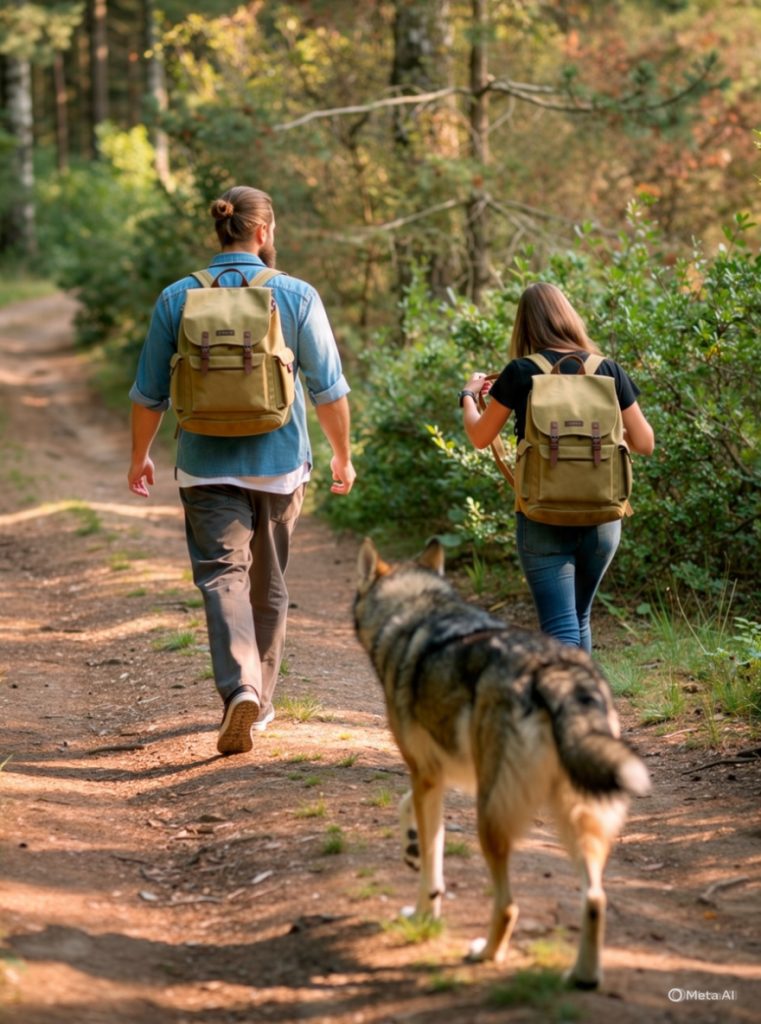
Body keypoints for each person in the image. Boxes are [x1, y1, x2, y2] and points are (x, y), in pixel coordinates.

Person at [127, 185, 356, 755]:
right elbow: (329, 390)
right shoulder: (296, 295)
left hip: (204, 462)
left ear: (221, 230)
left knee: (221, 576)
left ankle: (239, 689)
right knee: (269, 582)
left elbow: (148, 392)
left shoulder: (177, 297)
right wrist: (342, 455)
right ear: (264, 232)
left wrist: (140, 456)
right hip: (279, 464)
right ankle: (262, 701)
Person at [459, 281, 654, 652]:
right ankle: (584, 706)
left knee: (561, 627)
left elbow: (480, 437)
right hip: (602, 514)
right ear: (568, 318)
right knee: (578, 618)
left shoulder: (519, 373)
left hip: (541, 513)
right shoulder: (609, 371)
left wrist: (469, 395)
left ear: (525, 326)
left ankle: (567, 707)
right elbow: (645, 443)